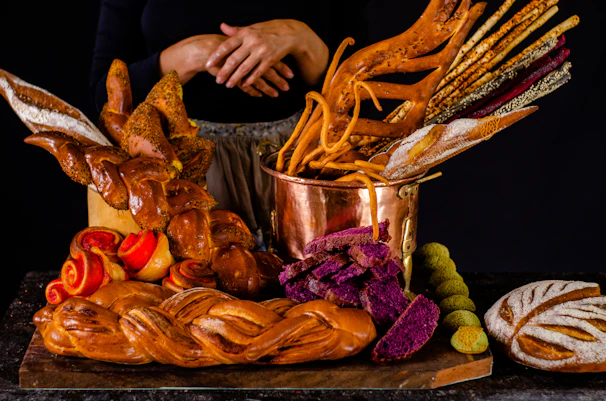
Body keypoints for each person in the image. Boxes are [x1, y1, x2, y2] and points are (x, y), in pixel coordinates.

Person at [89, 0, 368, 250]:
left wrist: (303, 41)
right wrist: (189, 56)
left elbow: (364, 89)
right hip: (178, 172)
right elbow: (103, 93)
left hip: (301, 166)